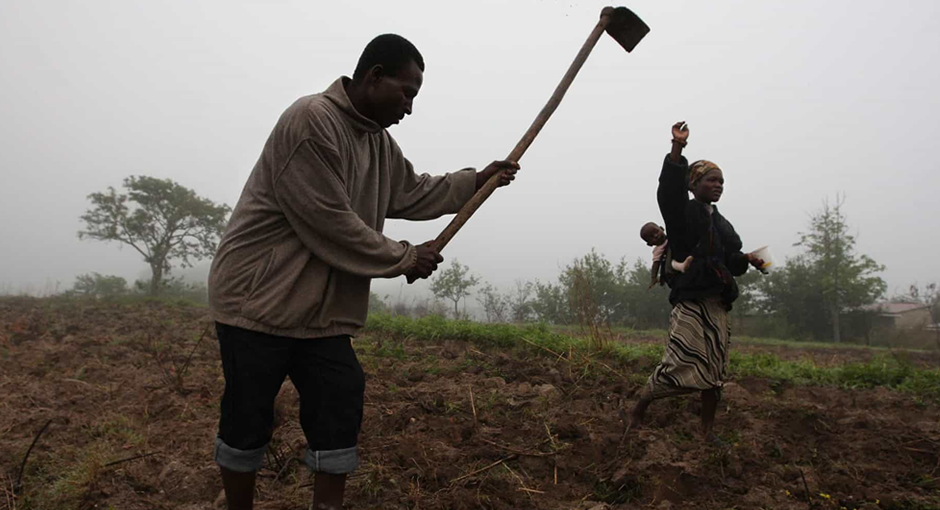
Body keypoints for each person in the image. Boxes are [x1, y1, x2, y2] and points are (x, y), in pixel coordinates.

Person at [206, 34, 520, 510]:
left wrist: (476, 182)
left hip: (322, 310)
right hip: (259, 302)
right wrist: (404, 258)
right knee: (248, 419)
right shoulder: (311, 121)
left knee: (339, 407)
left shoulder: (377, 141)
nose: (410, 108)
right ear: (374, 77)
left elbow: (412, 192)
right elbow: (328, 220)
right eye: (407, 92)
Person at [627, 121, 763, 445]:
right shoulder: (682, 213)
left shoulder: (722, 223)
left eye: (721, 181)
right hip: (689, 302)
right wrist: (678, 148)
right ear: (693, 184)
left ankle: (707, 431)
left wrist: (747, 260)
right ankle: (639, 407)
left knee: (715, 371)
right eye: (711, 180)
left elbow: (731, 259)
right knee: (678, 362)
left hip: (717, 303)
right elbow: (668, 192)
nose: (718, 185)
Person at [639, 222, 691, 289]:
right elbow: (656, 263)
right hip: (672, 265)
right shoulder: (657, 250)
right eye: (651, 237)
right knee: (671, 263)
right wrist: (653, 278)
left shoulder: (672, 236)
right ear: (650, 244)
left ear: (662, 228)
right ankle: (682, 266)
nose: (656, 236)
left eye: (656, 231)